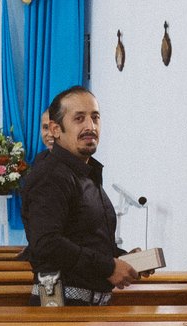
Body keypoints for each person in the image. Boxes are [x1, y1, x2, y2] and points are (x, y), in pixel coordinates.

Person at [18, 86, 134, 305]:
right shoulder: (50, 175)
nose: (90, 126)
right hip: (57, 303)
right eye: (79, 119)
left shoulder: (86, 173)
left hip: (91, 305)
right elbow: (46, 244)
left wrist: (122, 258)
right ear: (55, 129)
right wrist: (108, 266)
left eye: (95, 117)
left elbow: (87, 239)